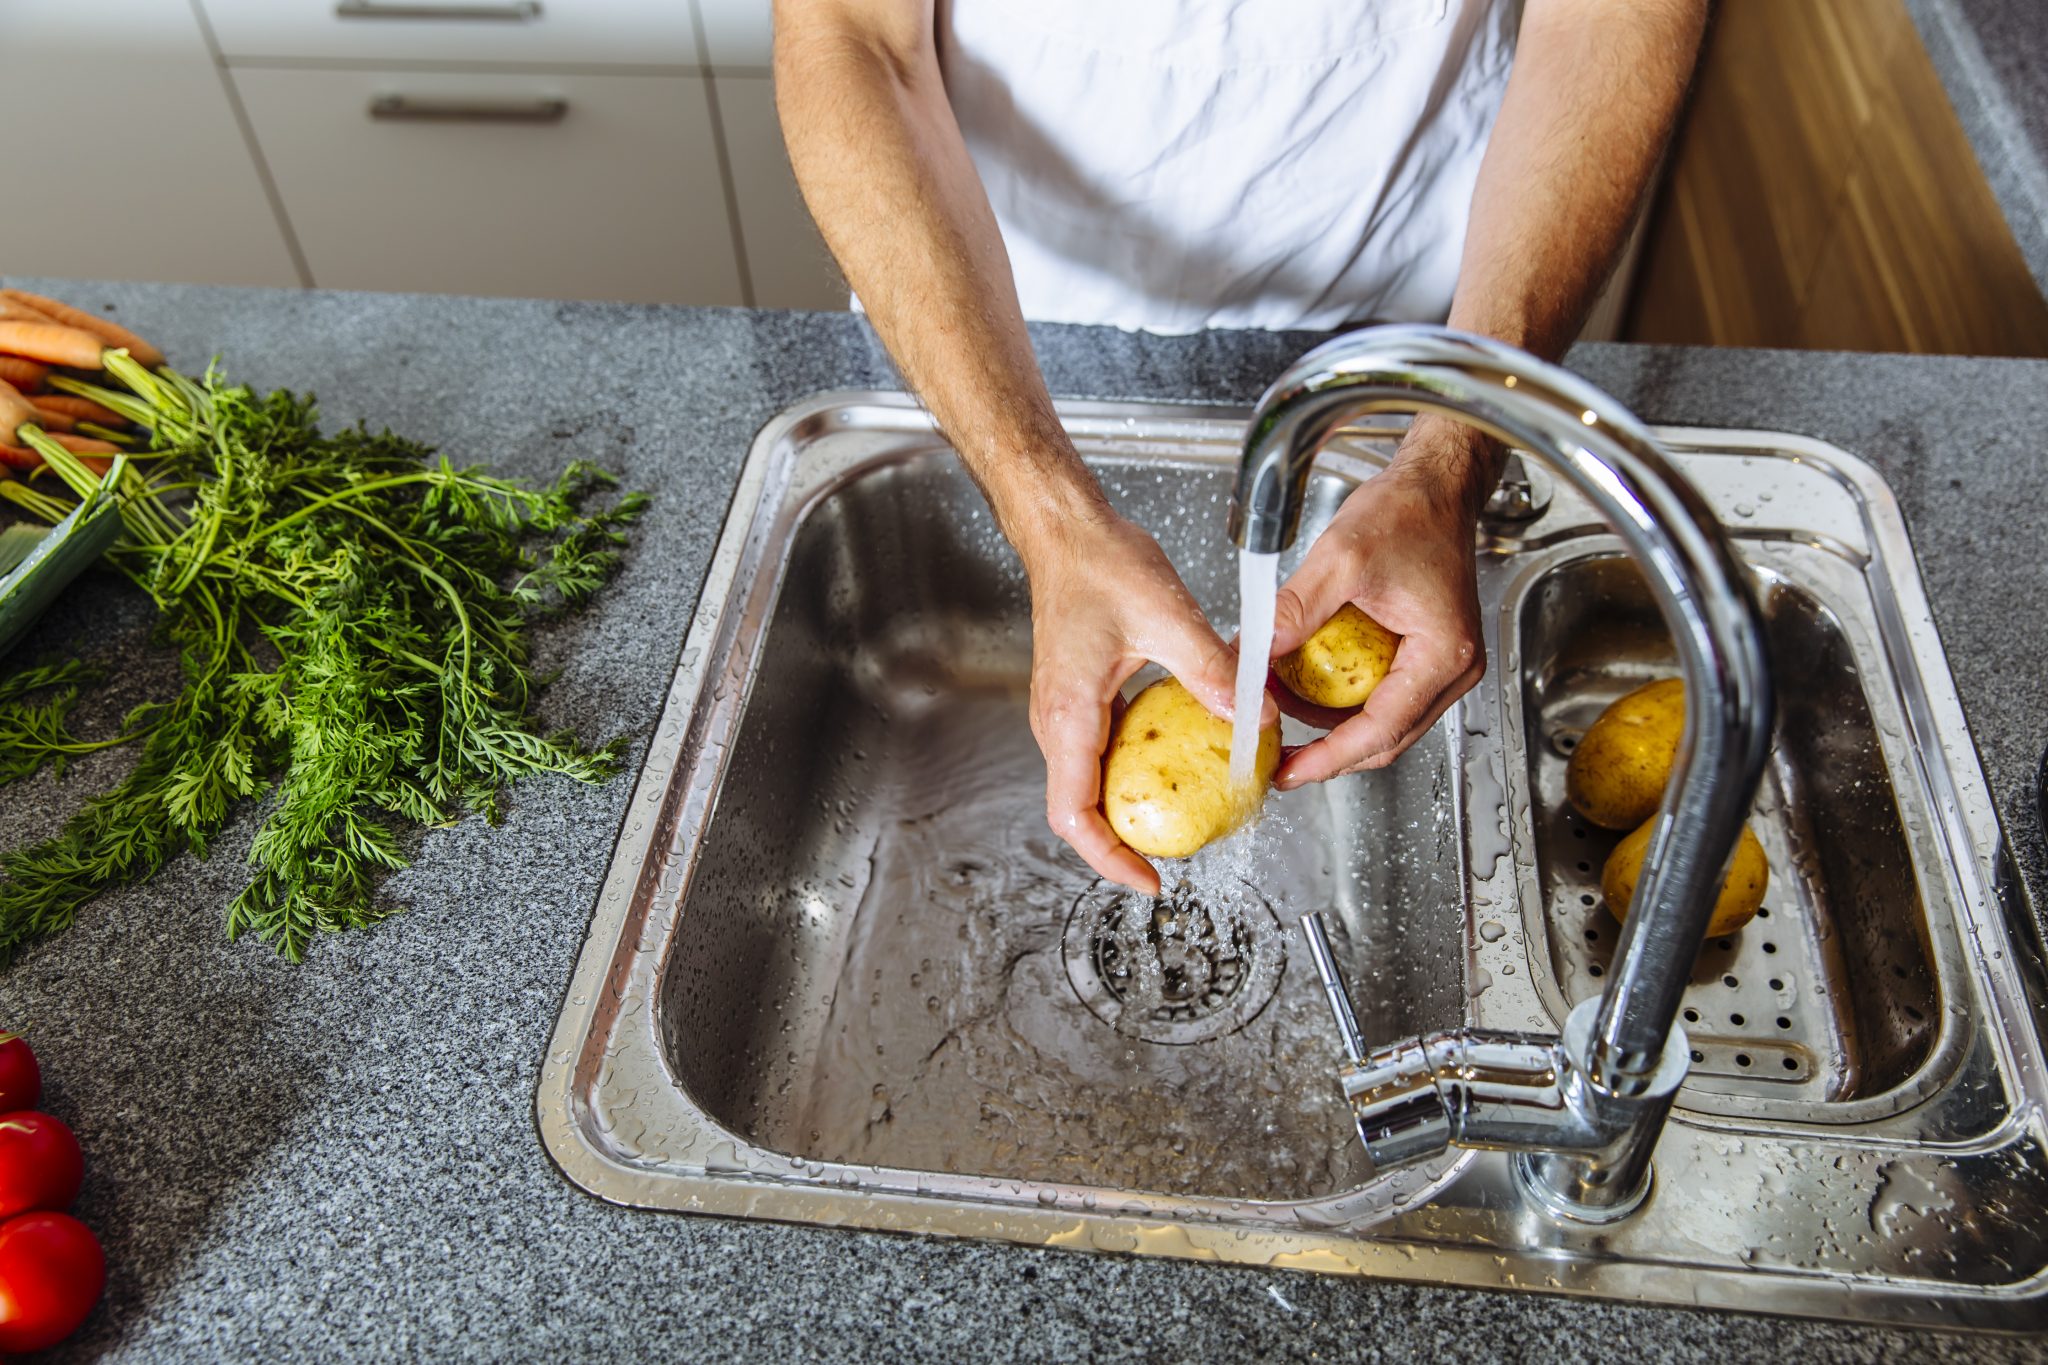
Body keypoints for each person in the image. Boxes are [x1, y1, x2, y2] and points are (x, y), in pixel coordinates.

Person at [775, 0, 1706, 895]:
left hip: (1423, 303)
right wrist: (1046, 514)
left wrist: (1451, 461)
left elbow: (1610, 16)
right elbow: (852, 36)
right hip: (993, 311)